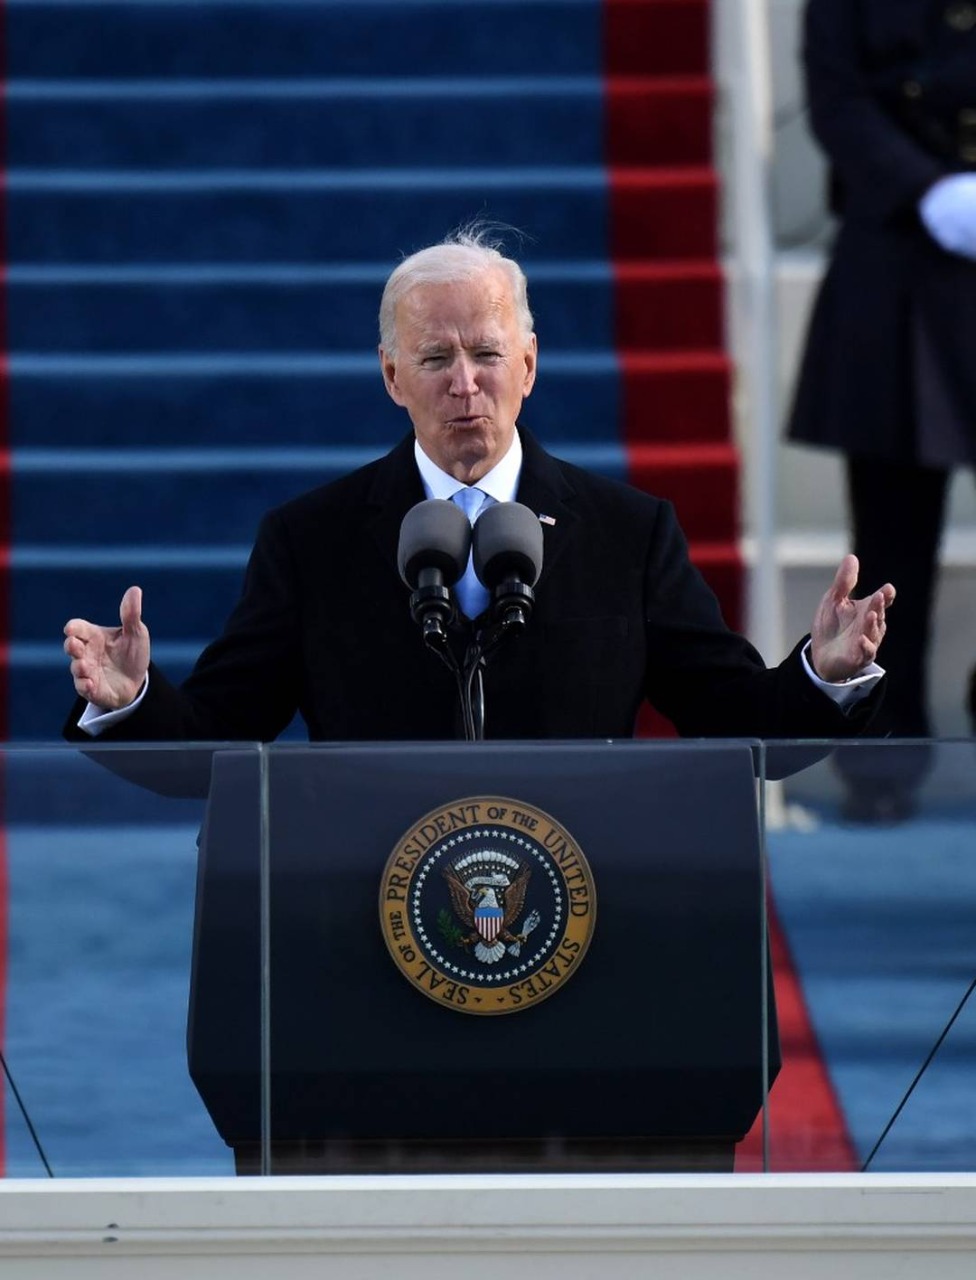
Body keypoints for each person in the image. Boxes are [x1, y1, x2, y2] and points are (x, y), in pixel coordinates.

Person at [63, 228, 894, 746]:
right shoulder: (310, 540)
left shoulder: (627, 533)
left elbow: (732, 713)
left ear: (528, 367)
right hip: (367, 909)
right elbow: (220, 730)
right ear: (393, 377)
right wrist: (133, 699)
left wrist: (820, 669)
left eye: (488, 355)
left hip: (588, 913)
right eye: (435, 359)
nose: (465, 384)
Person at [787, 0, 976, 819]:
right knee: (891, 541)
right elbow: (837, 99)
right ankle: (884, 759)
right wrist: (926, 189)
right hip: (899, 246)